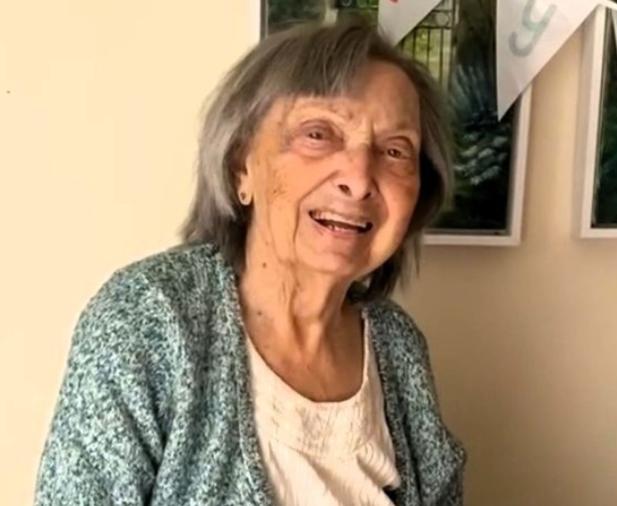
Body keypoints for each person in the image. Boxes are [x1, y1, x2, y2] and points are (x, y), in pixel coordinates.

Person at [35, 18, 465, 506]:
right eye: (319, 134)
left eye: (394, 150)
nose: (359, 179)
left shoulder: (398, 347)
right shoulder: (148, 318)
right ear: (243, 167)